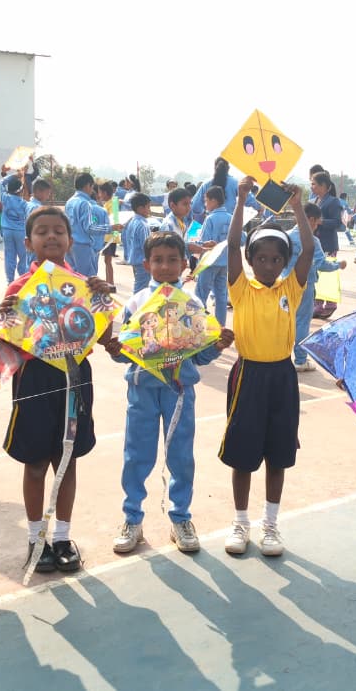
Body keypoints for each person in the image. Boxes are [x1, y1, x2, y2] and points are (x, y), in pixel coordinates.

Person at [102, 232, 235, 554]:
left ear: (184, 263)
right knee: (136, 456)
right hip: (142, 391)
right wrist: (115, 350)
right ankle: (132, 518)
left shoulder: (193, 304)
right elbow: (126, 352)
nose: (164, 266)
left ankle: (181, 518)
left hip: (179, 391)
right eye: (157, 260)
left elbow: (199, 356)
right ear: (146, 264)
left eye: (172, 260)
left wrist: (217, 346)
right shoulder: (136, 302)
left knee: (181, 457)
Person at [0, 206, 112, 573]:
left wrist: (102, 300)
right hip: (34, 379)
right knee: (34, 464)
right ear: (27, 242)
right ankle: (37, 539)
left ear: (70, 239)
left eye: (59, 231)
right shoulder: (19, 288)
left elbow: (105, 337)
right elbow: (5, 346)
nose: (51, 236)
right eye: (42, 231)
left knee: (66, 460)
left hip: (74, 378)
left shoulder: (84, 285)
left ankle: (62, 538)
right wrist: (7, 318)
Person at [220, 177, 313, 557]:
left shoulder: (290, 288)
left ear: (284, 262)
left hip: (282, 377)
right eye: (261, 258)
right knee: (243, 455)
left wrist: (297, 205)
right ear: (251, 260)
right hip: (248, 376)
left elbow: (308, 248)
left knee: (278, 455)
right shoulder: (241, 287)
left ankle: (270, 525)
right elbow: (231, 244)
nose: (269, 265)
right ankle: (240, 523)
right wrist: (240, 199)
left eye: (276, 259)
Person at [286, 203, 345, 372]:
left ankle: (281, 355)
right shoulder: (312, 241)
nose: (317, 226)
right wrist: (338, 265)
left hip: (284, 284)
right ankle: (300, 359)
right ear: (311, 219)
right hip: (305, 285)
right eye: (317, 223)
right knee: (302, 322)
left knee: (285, 320)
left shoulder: (286, 236)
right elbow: (321, 264)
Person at [195, 186, 232, 326]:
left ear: (214, 201)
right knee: (221, 296)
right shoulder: (231, 218)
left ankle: (199, 327)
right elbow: (240, 239)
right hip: (224, 262)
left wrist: (194, 242)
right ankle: (221, 327)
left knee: (200, 296)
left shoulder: (210, 219)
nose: (205, 204)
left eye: (206, 201)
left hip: (209, 262)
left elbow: (204, 242)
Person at [310, 172, 344, 317]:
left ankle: (330, 304)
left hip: (328, 243)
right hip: (316, 242)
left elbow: (337, 222)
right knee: (317, 273)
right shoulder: (315, 201)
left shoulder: (333, 201)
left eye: (314, 184)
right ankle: (317, 304)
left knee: (327, 275)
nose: (312, 187)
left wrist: (320, 221)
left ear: (323, 186)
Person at [65, 173, 106, 277]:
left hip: (69, 244)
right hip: (82, 246)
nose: (92, 190)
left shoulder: (69, 202)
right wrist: (110, 228)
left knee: (72, 276)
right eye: (92, 187)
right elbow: (90, 228)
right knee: (87, 279)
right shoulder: (85, 204)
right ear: (88, 185)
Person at [121, 192, 154, 293]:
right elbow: (146, 246)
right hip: (143, 262)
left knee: (140, 285)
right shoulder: (142, 225)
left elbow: (124, 239)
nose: (149, 210)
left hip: (134, 260)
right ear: (140, 208)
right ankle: (136, 303)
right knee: (141, 289)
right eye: (148, 207)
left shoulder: (131, 221)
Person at [0, 176, 31, 282]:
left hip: (7, 230)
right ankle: (23, 278)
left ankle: (10, 280)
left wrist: (12, 176)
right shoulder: (24, 204)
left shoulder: (5, 198)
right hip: (20, 232)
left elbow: (1, 183)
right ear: (20, 190)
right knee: (23, 256)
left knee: (9, 255)